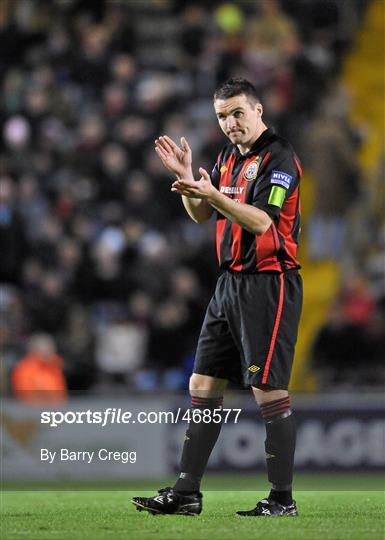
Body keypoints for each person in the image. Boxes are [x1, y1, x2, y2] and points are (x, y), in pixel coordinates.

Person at [132, 78, 302, 517]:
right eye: (223, 116)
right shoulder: (228, 157)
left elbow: (263, 223)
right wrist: (189, 182)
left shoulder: (278, 158)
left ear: (258, 110)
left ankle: (281, 499)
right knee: (202, 383)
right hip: (228, 284)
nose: (230, 123)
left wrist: (210, 194)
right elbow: (202, 214)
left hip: (269, 282)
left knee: (267, 388)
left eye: (237, 113)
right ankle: (187, 492)